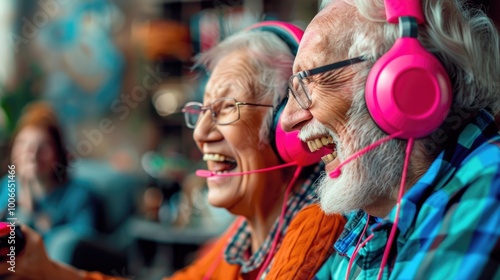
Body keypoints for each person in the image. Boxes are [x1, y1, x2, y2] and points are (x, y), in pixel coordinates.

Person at [0, 22, 346, 280]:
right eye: (200, 112)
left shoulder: (318, 225)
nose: (201, 134)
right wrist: (43, 268)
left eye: (225, 108)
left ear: (286, 125)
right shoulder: (239, 242)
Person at [281, 0, 500, 279]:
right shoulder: (370, 216)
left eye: (309, 80)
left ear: (405, 86)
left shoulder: (490, 186)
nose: (288, 120)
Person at [0, 101, 103, 265]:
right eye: (23, 144)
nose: (32, 154)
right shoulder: (9, 185)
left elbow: (81, 246)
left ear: (58, 154)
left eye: (43, 146)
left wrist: (33, 214)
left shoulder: (79, 194)